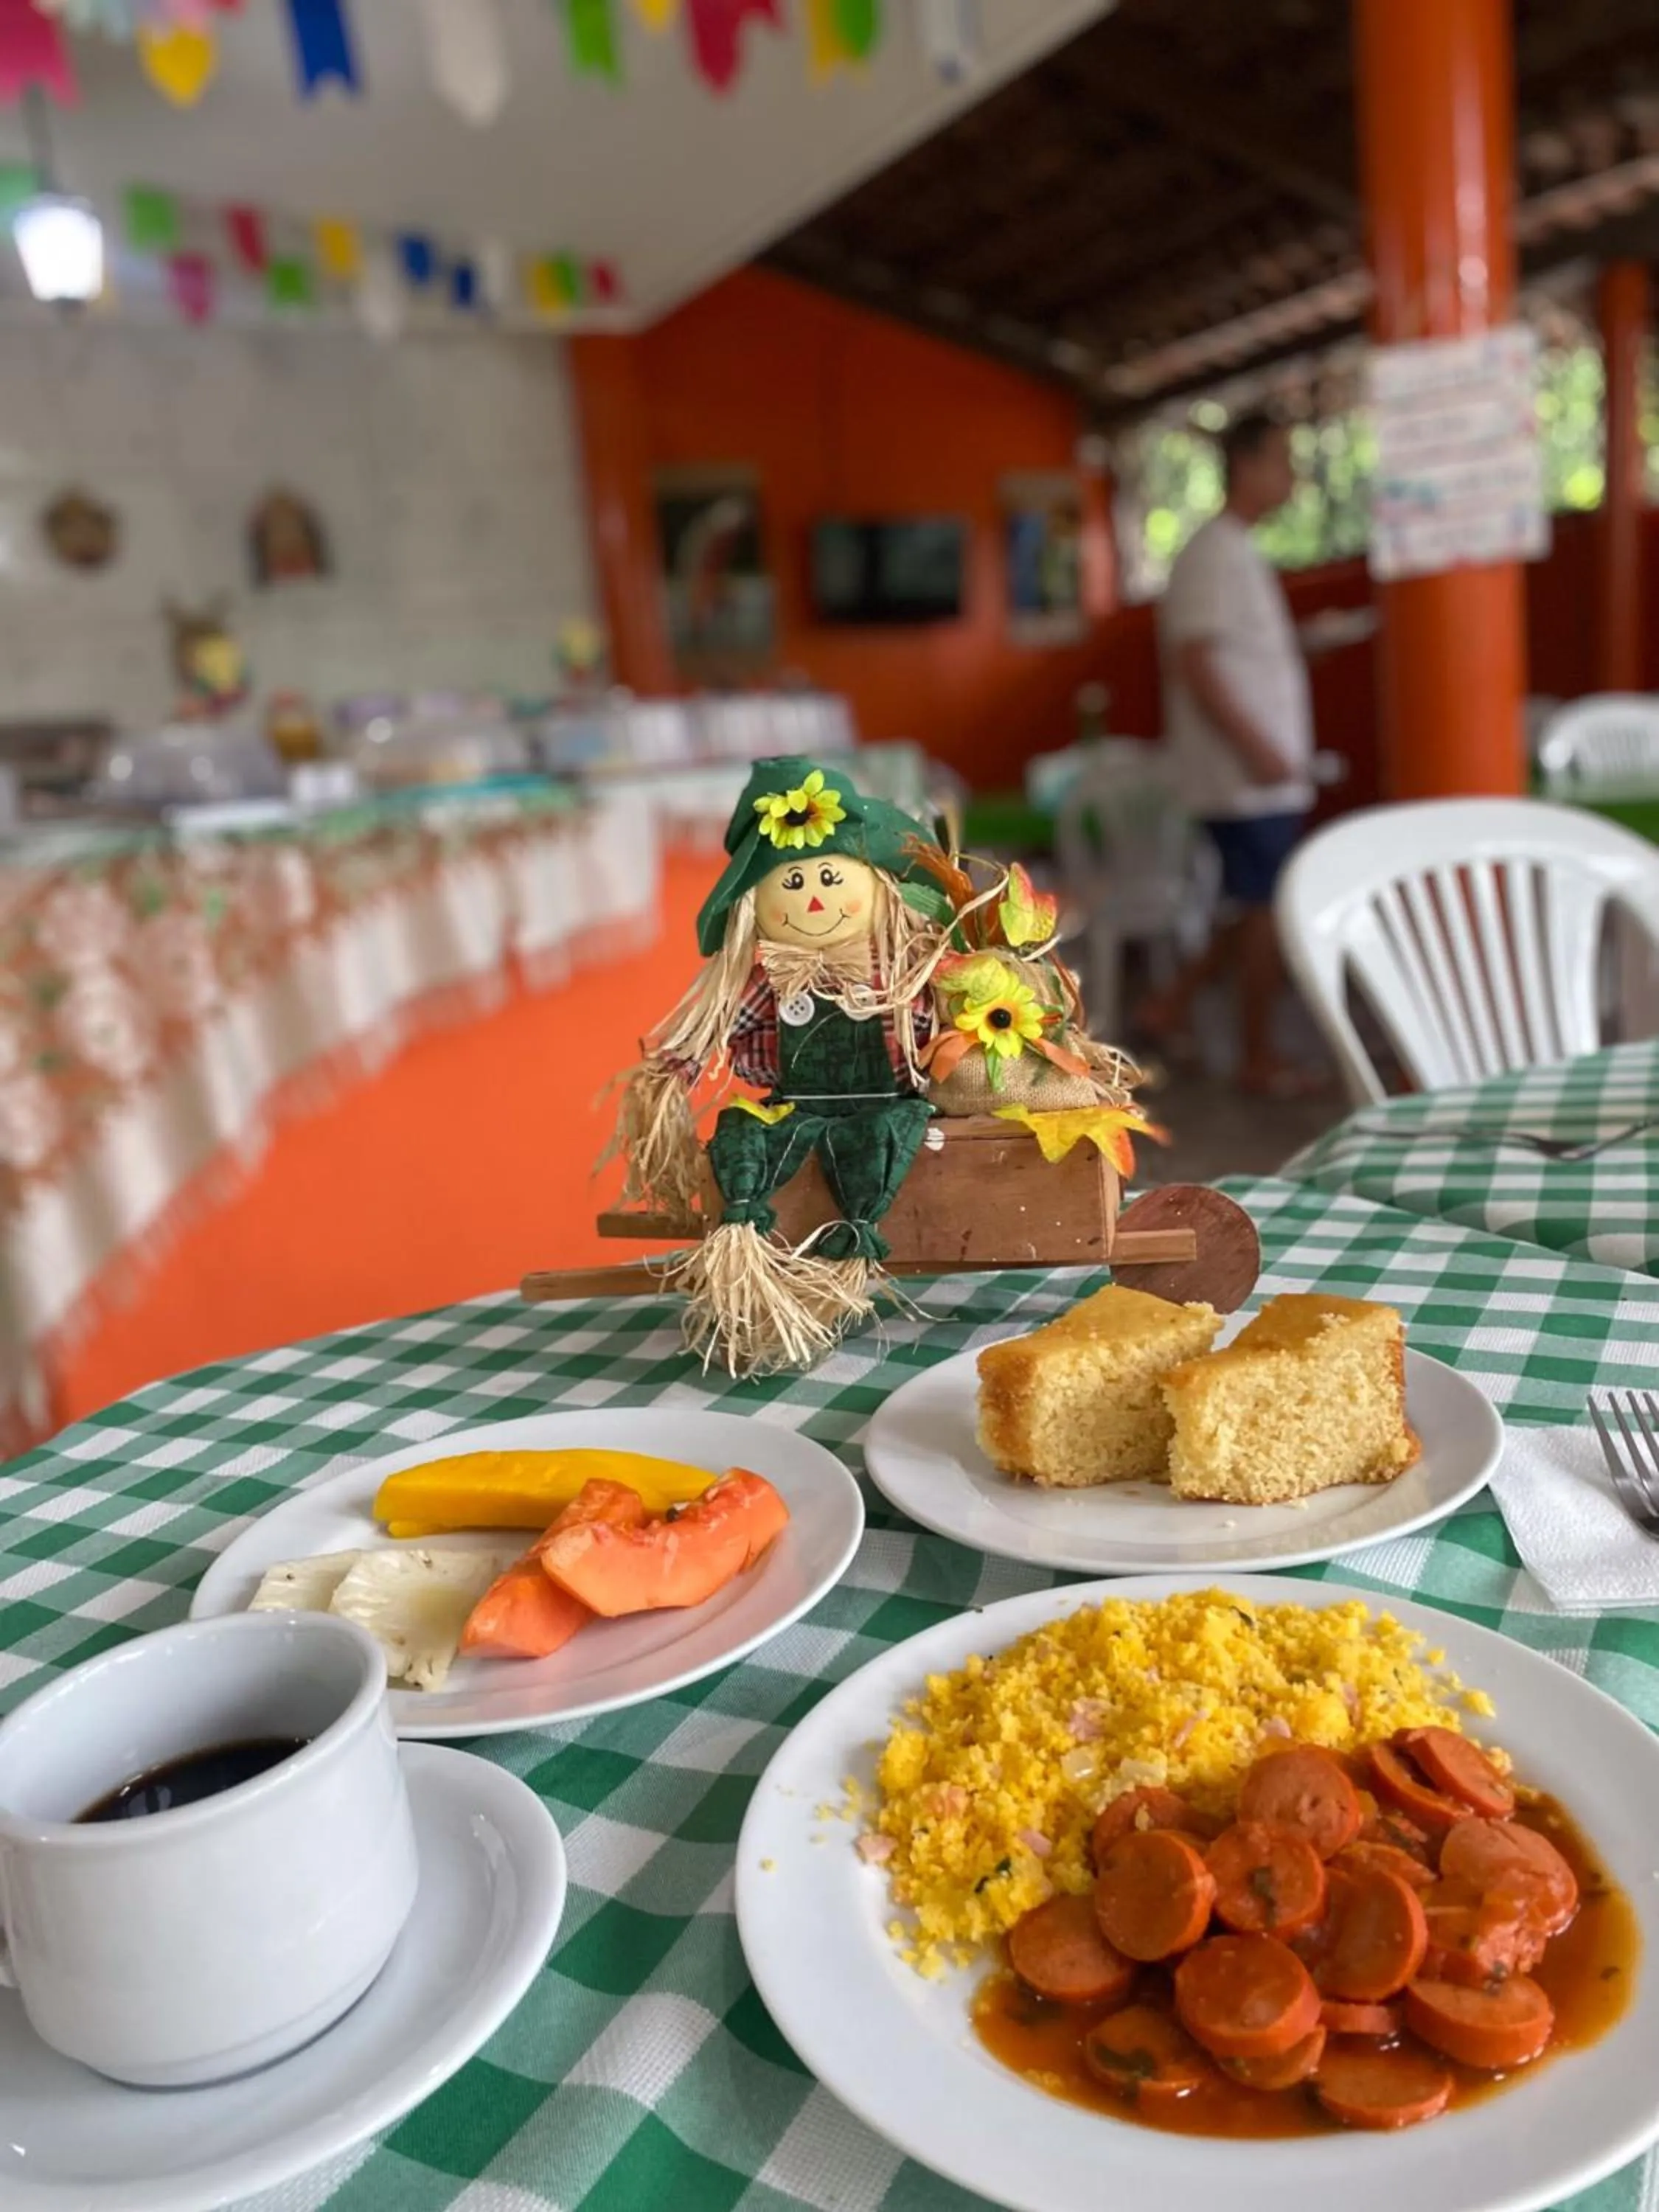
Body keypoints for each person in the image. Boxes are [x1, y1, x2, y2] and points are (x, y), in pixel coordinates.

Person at [1141, 413, 1322, 1098]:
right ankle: (1258, 1055)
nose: (1292, 476)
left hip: (1257, 774)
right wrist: (1261, 750)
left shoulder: (1235, 550)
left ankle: (1169, 1007)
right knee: (1264, 909)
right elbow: (1197, 664)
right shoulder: (1214, 552)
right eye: (1282, 458)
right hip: (1245, 777)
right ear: (1244, 466)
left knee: (1251, 906)